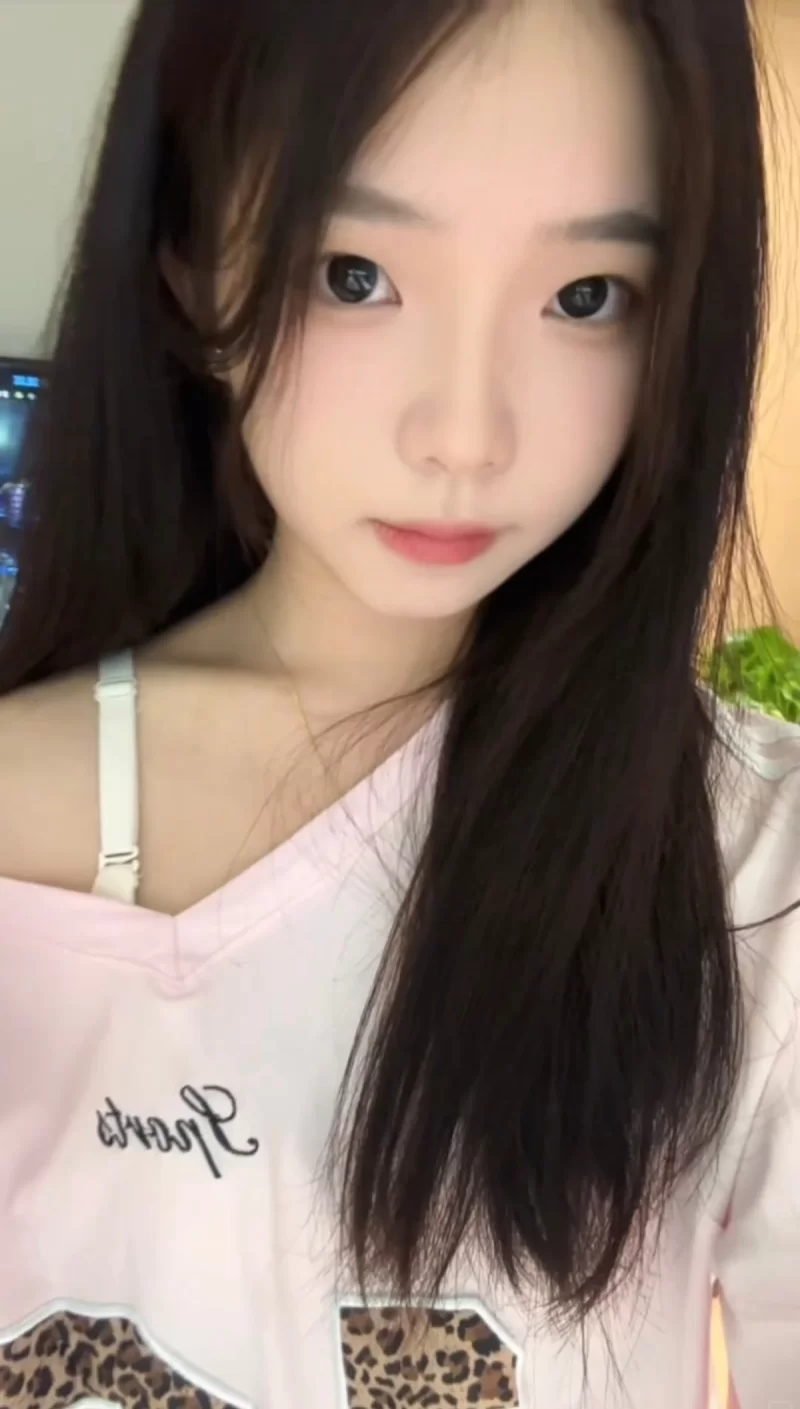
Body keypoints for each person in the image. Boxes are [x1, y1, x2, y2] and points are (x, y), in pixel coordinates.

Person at [0, 0, 797, 1403]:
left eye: (587, 296)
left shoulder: (749, 872)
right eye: (355, 274)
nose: (465, 435)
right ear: (189, 261)